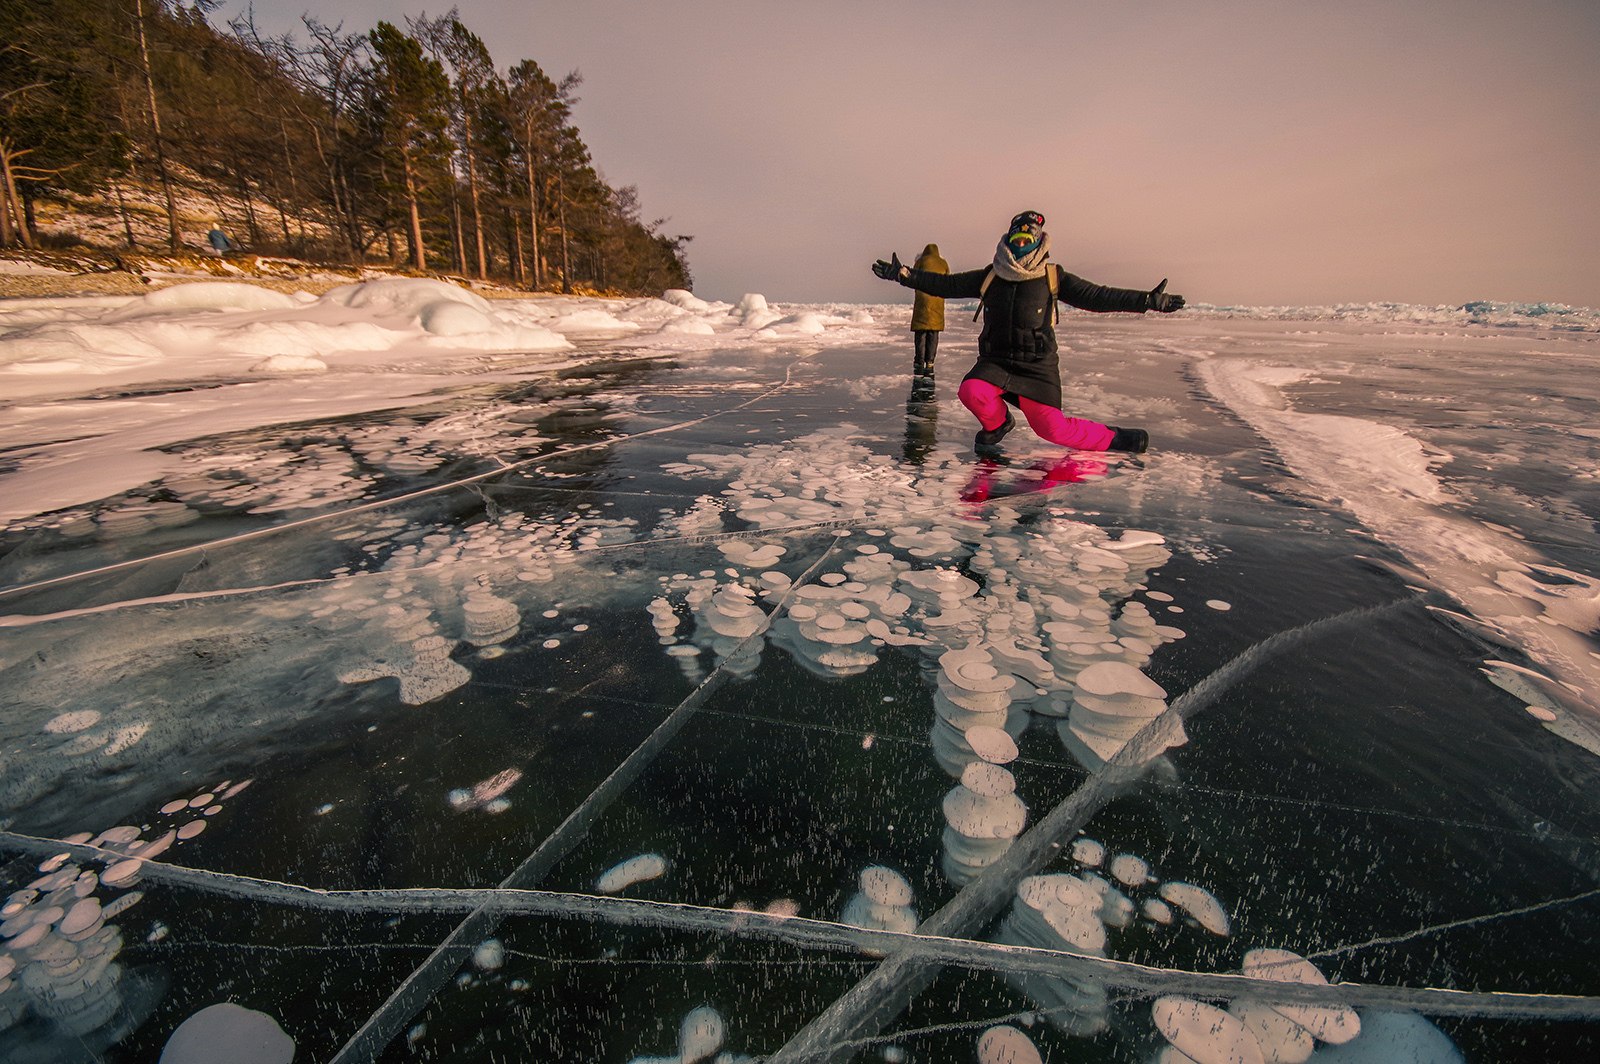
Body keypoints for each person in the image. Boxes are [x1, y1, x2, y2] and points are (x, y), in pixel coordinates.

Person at [872, 210, 1184, 454]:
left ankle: (1117, 439)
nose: (1020, 243)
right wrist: (905, 275)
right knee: (972, 390)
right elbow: (945, 285)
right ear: (1007, 240)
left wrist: (1146, 300)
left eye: (1027, 238)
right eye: (1016, 238)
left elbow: (1099, 297)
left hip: (1036, 365)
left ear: (1038, 241)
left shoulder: (1052, 276)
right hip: (996, 360)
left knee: (1052, 430)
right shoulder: (991, 275)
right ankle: (997, 424)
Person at [910, 243, 947, 374]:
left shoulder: (920, 261)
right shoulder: (943, 263)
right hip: (937, 302)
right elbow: (948, 282)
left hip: (922, 301)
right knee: (933, 332)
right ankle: (930, 361)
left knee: (921, 332)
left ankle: (919, 361)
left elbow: (911, 277)